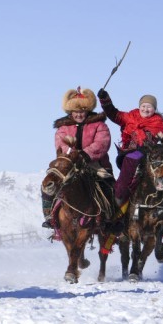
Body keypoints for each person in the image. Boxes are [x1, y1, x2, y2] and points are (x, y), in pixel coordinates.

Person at [97, 89, 163, 235]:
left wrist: (160, 150)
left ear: (154, 109)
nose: (145, 109)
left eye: (149, 106)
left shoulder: (159, 123)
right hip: (133, 153)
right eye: (143, 106)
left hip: (154, 156)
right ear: (139, 106)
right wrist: (104, 99)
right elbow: (113, 113)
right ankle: (118, 217)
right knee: (123, 184)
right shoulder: (129, 117)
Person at [42, 87, 115, 228]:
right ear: (70, 111)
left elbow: (102, 143)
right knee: (49, 183)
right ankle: (50, 216)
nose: (79, 114)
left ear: (87, 110)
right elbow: (61, 145)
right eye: (75, 111)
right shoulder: (63, 128)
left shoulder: (99, 125)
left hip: (95, 164)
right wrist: (73, 155)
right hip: (69, 164)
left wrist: (84, 155)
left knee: (109, 187)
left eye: (82, 111)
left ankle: (109, 217)